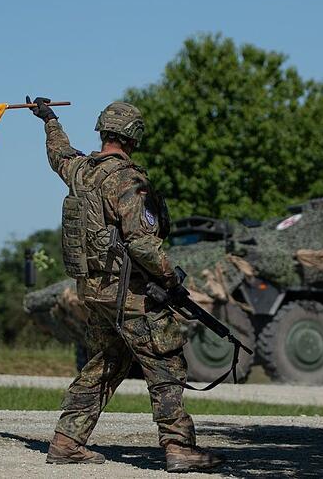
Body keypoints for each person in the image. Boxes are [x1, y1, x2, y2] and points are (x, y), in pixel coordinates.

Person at [27, 97, 224, 473]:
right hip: (131, 296)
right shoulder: (128, 181)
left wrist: (49, 119)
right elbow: (142, 243)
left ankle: (67, 441)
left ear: (103, 131)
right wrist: (169, 278)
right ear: (133, 138)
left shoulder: (82, 171)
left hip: (96, 294)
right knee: (166, 365)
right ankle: (180, 447)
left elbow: (59, 153)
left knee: (105, 363)